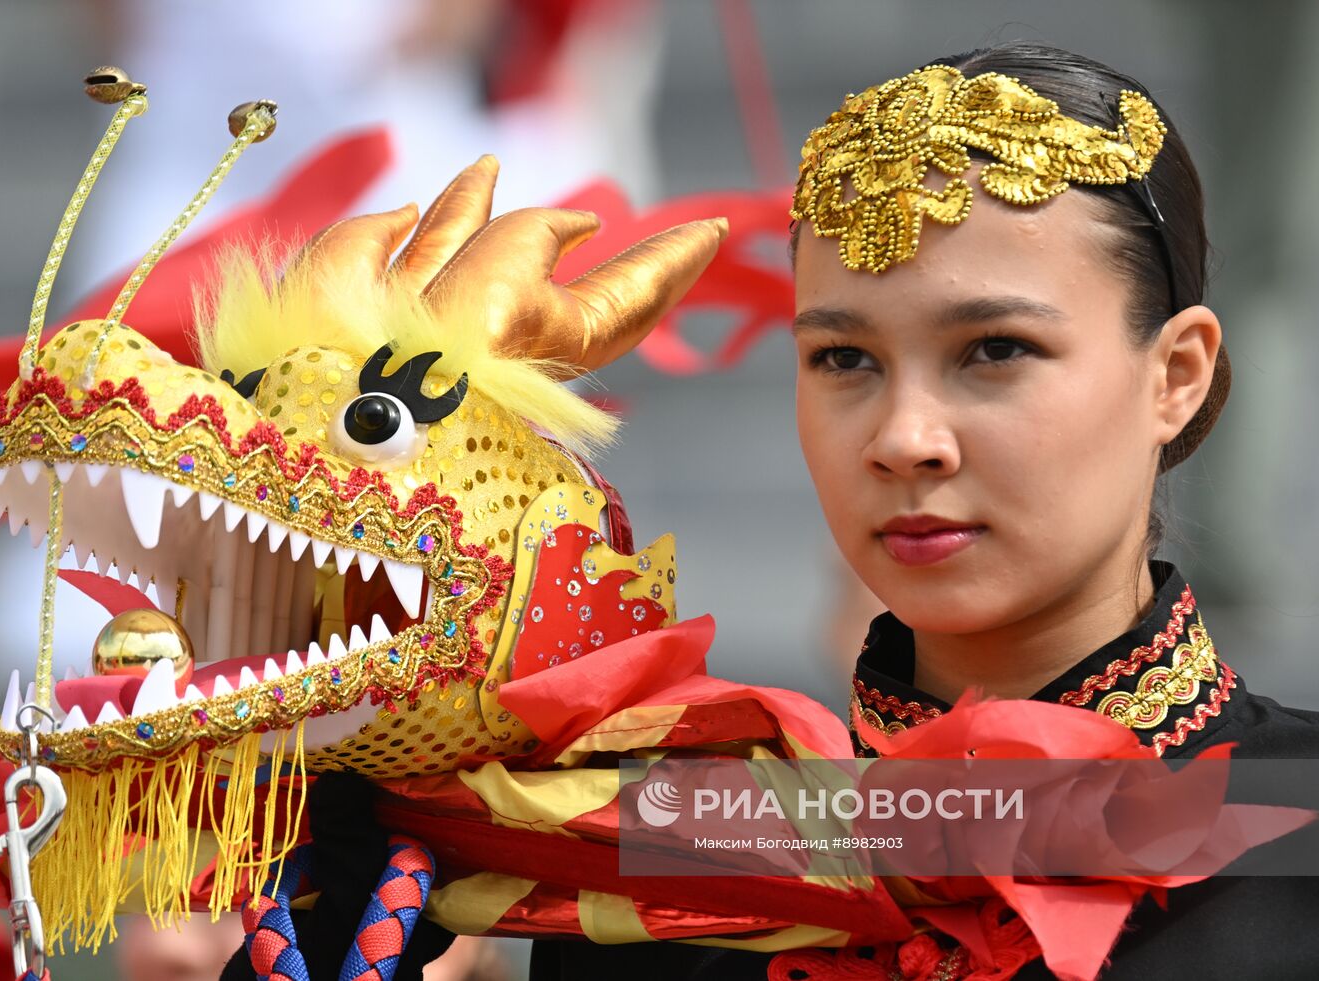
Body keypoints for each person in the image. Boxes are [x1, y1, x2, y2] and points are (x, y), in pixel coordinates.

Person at [532, 40, 1319, 980]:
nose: (905, 438)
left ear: (1175, 376)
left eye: (996, 349)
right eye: (844, 359)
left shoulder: (1297, 826)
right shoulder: (669, 848)